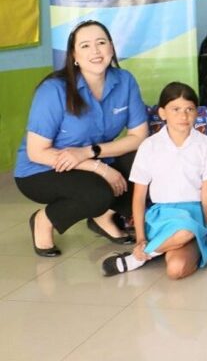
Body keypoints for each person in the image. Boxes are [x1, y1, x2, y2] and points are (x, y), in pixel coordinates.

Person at [15, 20, 147, 257]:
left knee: (148, 164)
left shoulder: (125, 80)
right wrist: (100, 168)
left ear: (111, 48)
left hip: (90, 159)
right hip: (42, 169)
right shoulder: (53, 90)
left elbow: (139, 136)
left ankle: (103, 218)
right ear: (74, 55)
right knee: (97, 193)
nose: (95, 51)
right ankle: (44, 221)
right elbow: (37, 152)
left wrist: (90, 153)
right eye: (85, 46)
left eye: (101, 43)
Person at [101, 82, 207, 279]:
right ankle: (152, 249)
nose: (183, 116)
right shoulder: (149, 146)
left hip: (195, 215)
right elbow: (139, 196)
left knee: (176, 270)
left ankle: (142, 257)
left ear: (196, 113)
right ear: (162, 113)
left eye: (189, 109)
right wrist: (140, 238)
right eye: (175, 109)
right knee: (183, 235)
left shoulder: (206, 145)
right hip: (162, 216)